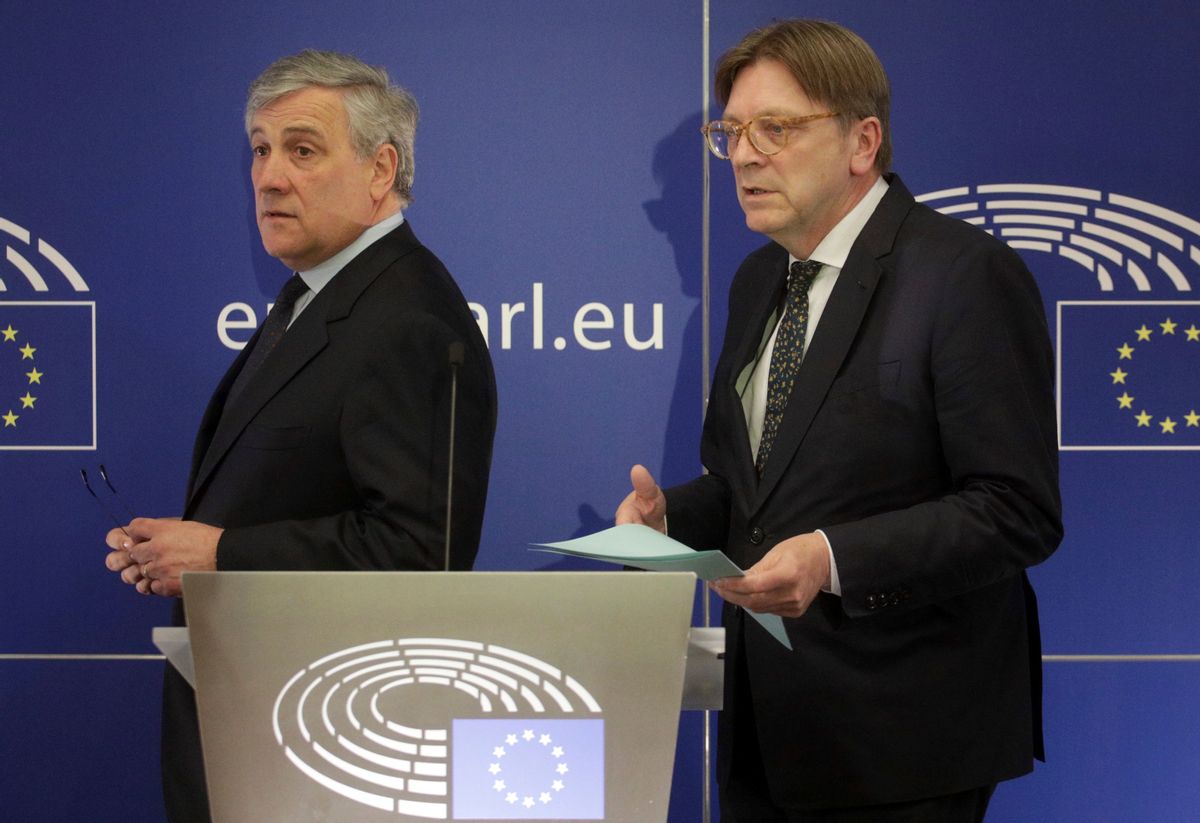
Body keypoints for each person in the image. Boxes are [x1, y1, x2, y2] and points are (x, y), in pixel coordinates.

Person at [616, 19, 1061, 823]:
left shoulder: (965, 275)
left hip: (906, 738)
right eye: (732, 133)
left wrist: (832, 557)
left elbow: (1016, 508)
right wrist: (670, 519)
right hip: (772, 730)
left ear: (863, 142)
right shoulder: (759, 281)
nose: (745, 155)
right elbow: (754, 487)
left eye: (774, 129)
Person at [104, 50, 497, 822]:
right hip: (262, 725)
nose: (269, 175)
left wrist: (219, 555)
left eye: (302, 149)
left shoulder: (405, 320)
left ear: (380, 170)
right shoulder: (316, 295)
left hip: (325, 753)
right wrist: (179, 551)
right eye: (259, 148)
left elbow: (420, 551)